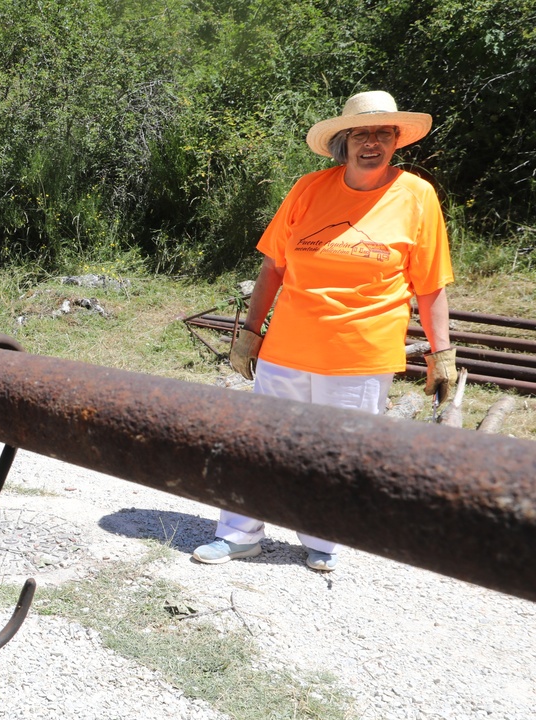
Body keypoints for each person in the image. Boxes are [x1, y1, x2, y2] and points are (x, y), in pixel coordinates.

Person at [192, 90, 455, 573]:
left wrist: (443, 355)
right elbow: (273, 266)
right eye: (361, 133)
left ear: (396, 139)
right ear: (343, 141)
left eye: (382, 132)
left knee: (338, 454)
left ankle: (323, 539)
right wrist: (250, 332)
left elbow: (431, 286)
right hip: (287, 348)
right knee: (260, 443)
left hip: (361, 356)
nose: (371, 142)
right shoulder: (309, 188)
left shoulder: (417, 197)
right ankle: (238, 534)